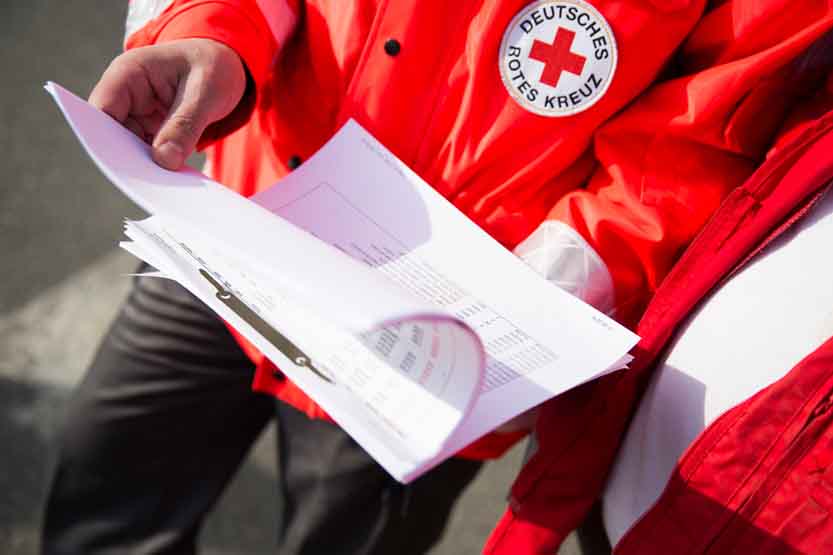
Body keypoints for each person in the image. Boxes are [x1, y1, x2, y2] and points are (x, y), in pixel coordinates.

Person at [42, 1, 833, 553]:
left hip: (439, 342)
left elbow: (692, 147)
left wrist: (519, 305)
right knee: (103, 504)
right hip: (245, 221)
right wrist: (214, 36)